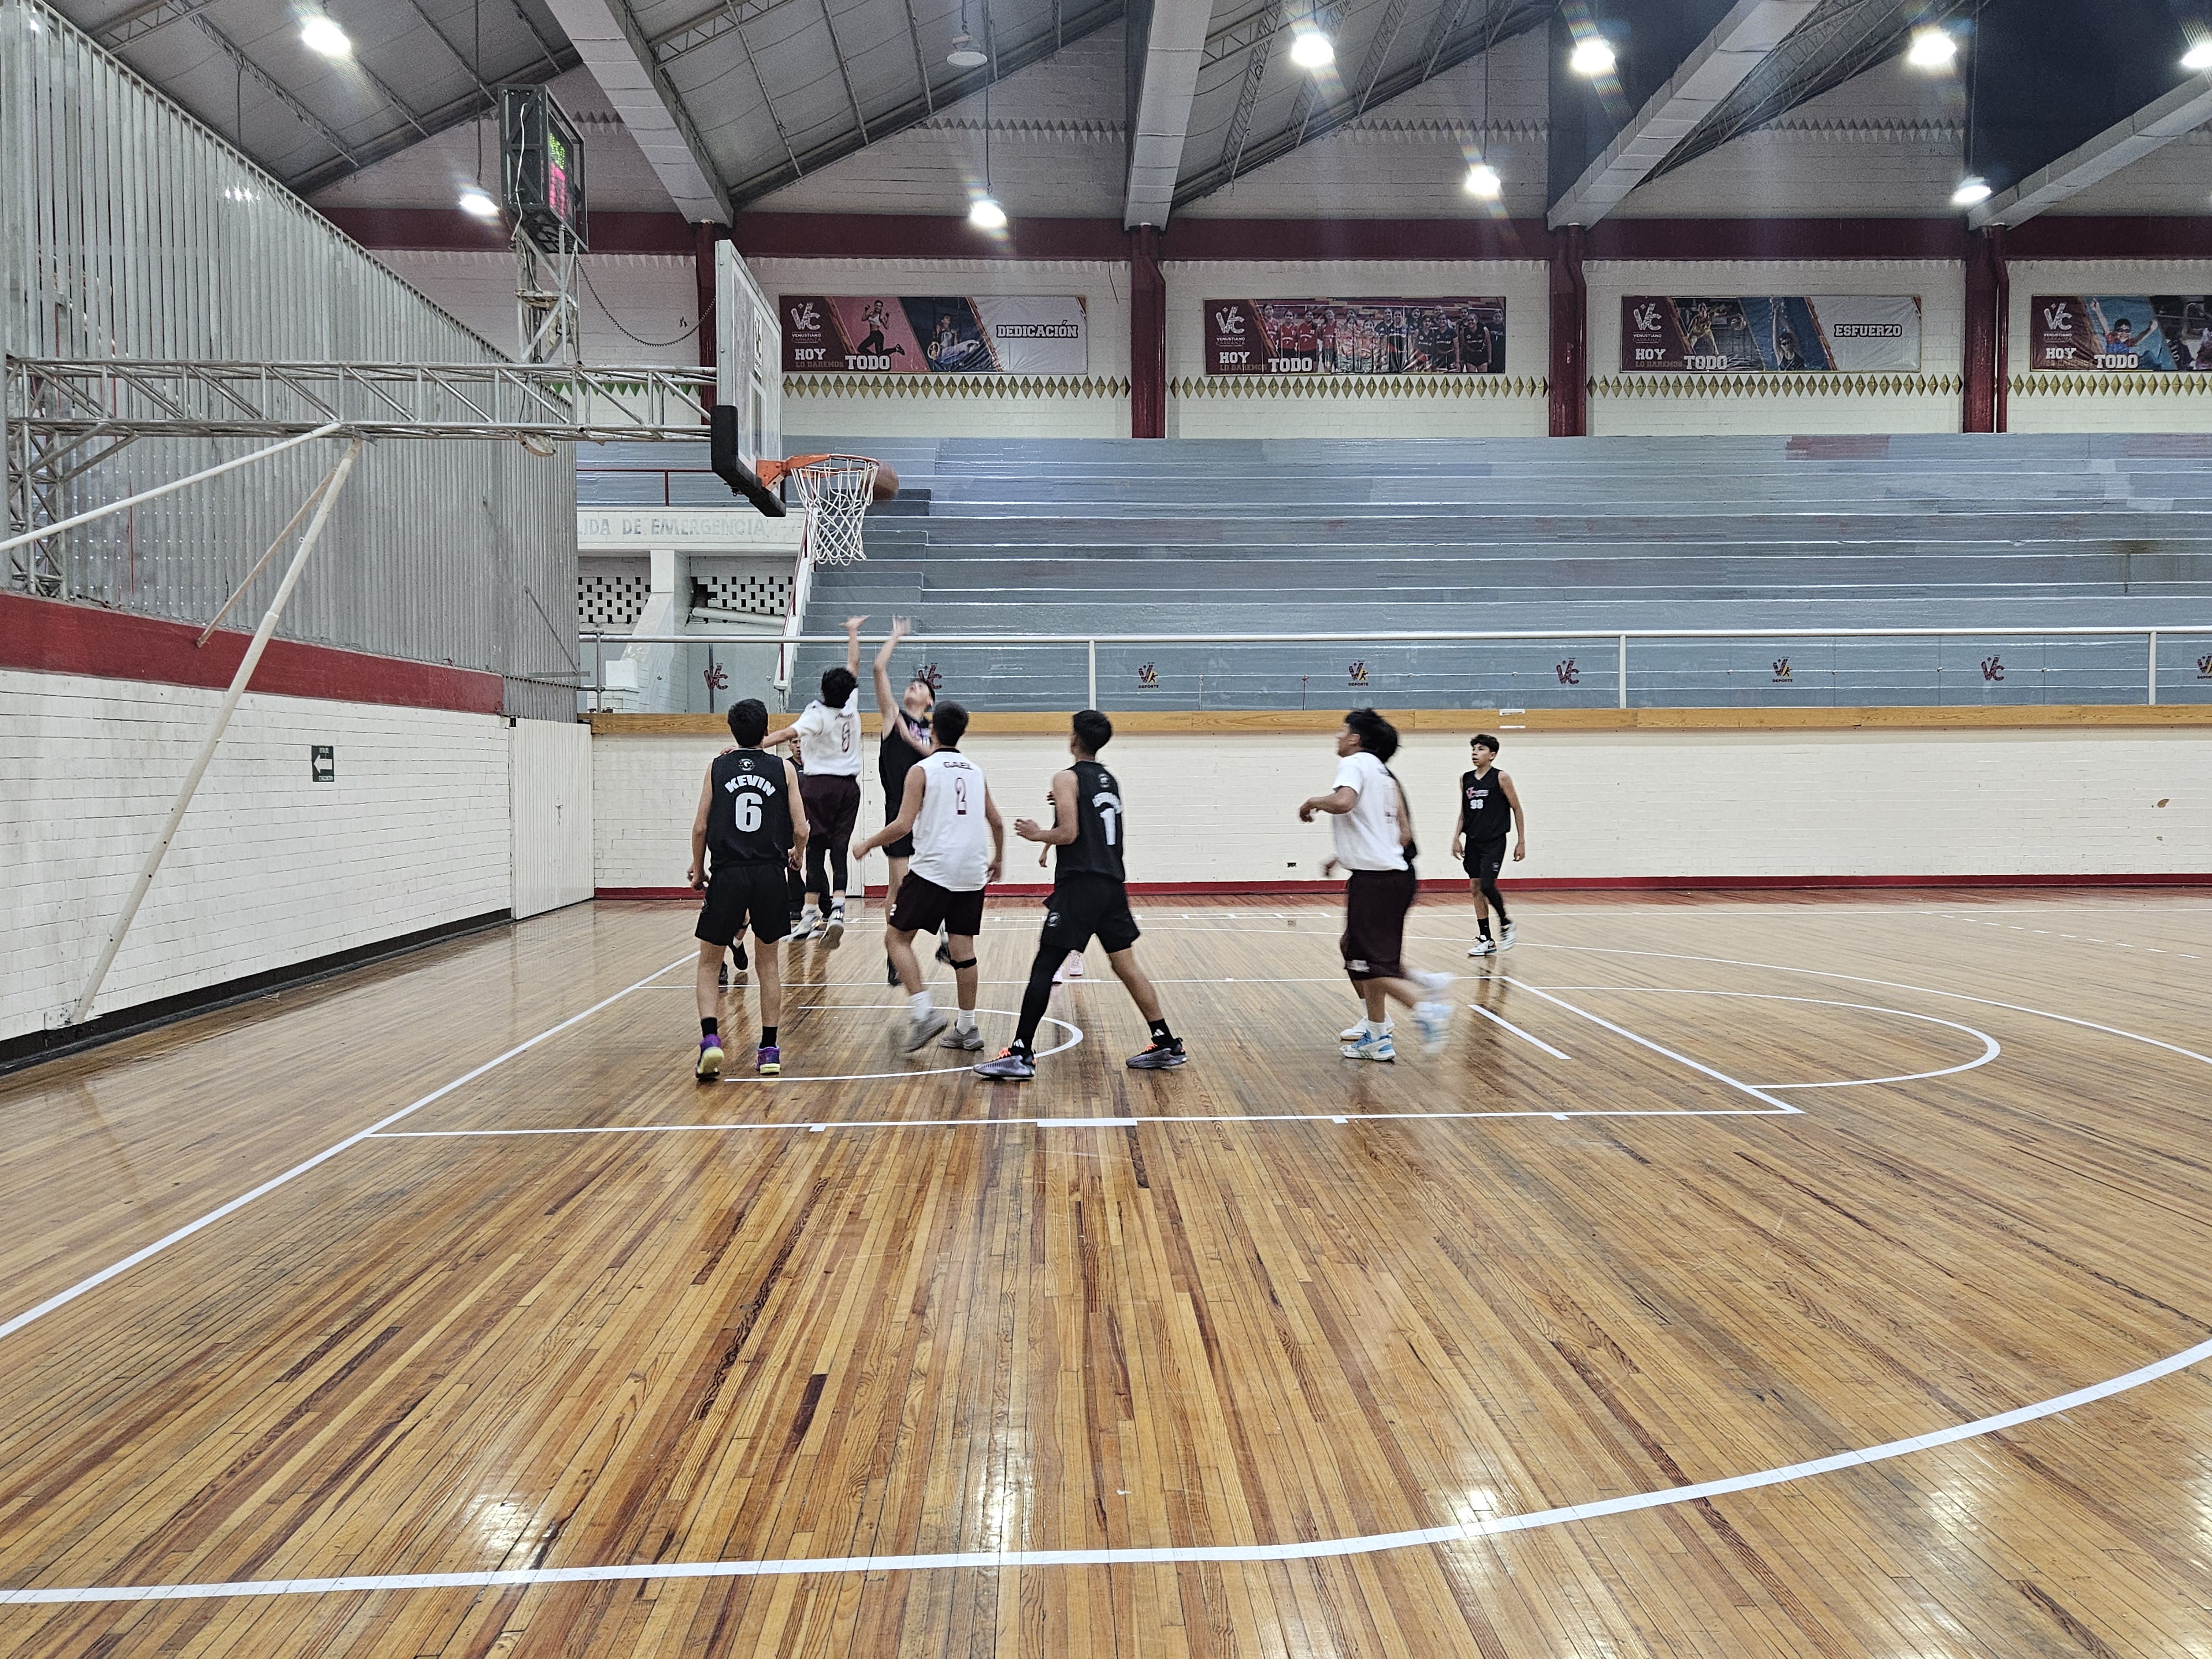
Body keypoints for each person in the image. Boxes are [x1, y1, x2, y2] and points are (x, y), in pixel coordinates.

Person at [975, 711, 1187, 1080]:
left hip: (1081, 885)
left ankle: (1021, 1052)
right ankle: (1166, 1040)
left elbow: (1071, 833)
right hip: (1111, 885)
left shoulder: (1065, 778)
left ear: (1074, 739)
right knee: (1126, 966)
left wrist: (1038, 834)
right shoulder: (1110, 780)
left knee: (1045, 965)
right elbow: (1086, 818)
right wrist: (1059, 810)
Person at [1298, 709, 1453, 1061]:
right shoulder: (1384, 774)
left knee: (1366, 962)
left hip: (1377, 880)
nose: (1337, 737)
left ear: (1355, 738)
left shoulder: (1355, 764)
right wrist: (1352, 851)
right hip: (1394, 877)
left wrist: (1312, 802)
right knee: (1356, 952)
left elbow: (1343, 802)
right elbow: (1403, 833)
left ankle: (1426, 1008)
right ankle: (1379, 1034)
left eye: (1342, 731)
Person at [853, 700, 1003, 1052]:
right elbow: (996, 822)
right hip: (971, 870)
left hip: (934, 869)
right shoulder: (975, 770)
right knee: (963, 951)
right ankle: (967, 1028)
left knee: (896, 939)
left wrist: (868, 845)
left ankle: (924, 1014)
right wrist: (999, 859)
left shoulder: (922, 770)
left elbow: (903, 825)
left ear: (932, 731)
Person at [687, 698, 807, 1079]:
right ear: (766, 729)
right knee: (768, 963)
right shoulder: (784, 768)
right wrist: (798, 855)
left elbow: (701, 827)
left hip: (728, 873)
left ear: (731, 729)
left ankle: (711, 1041)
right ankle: (769, 1050)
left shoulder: (717, 766)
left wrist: (699, 868)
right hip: (770, 873)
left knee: (709, 963)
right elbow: (802, 828)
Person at [764, 616, 864, 946]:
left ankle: (810, 915)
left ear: (823, 689)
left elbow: (786, 733)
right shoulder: (851, 705)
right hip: (849, 788)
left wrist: (752, 744)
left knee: (815, 851)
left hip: (819, 785)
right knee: (839, 849)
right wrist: (853, 632)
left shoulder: (817, 713)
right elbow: (854, 664)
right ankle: (834, 909)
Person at [871, 617, 940, 984]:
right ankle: (893, 951)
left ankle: (944, 937)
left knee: (933, 880)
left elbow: (934, 756)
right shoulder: (891, 715)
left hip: (930, 814)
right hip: (898, 809)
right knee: (898, 885)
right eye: (911, 683)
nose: (914, 686)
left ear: (929, 699)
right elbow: (878, 667)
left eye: (921, 686)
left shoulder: (932, 731)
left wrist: (912, 738)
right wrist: (894, 636)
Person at [1453, 734, 1527, 957]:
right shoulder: (1466, 779)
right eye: (1474, 749)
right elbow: (1464, 811)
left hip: (1494, 841)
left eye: (1481, 749)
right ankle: (1486, 939)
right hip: (1472, 841)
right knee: (1475, 888)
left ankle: (1506, 923)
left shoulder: (1501, 778)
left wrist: (1521, 841)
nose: (1475, 753)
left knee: (1487, 885)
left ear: (1492, 755)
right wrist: (1456, 837)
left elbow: (1517, 808)